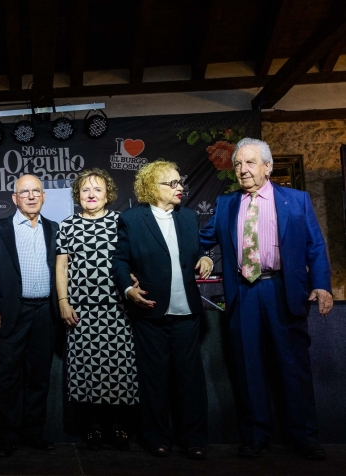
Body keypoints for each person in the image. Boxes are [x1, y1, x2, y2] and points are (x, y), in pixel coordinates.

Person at [199, 138, 333, 460]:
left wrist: (322, 285)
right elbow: (200, 240)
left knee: (293, 368)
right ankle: (255, 436)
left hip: (283, 291)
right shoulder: (226, 204)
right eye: (238, 165)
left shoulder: (297, 201)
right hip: (243, 293)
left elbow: (315, 246)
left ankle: (304, 437)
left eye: (249, 163)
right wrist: (202, 254)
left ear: (267, 167)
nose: (242, 170)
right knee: (248, 368)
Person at [112, 160, 212, 460]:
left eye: (180, 182)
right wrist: (128, 290)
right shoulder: (131, 219)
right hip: (150, 314)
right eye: (172, 183)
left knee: (189, 380)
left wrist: (205, 257)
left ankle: (193, 439)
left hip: (187, 314)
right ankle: (157, 437)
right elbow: (119, 261)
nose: (180, 187)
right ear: (152, 188)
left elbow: (196, 251)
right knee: (154, 380)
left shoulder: (189, 218)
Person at [56, 168, 140, 451]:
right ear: (77, 195)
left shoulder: (121, 222)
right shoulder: (66, 225)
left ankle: (117, 426)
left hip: (117, 310)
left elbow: (132, 258)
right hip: (82, 311)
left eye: (97, 190)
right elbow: (62, 267)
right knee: (87, 370)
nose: (91, 195)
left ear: (108, 194)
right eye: (85, 190)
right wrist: (63, 301)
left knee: (117, 370)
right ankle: (92, 426)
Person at [0, 174, 60, 458]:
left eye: (36, 191)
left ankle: (33, 434)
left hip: (45, 313)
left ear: (43, 196)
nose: (31, 196)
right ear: (14, 198)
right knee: (8, 378)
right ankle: (4, 438)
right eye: (24, 192)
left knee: (39, 378)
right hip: (11, 313)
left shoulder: (55, 229)